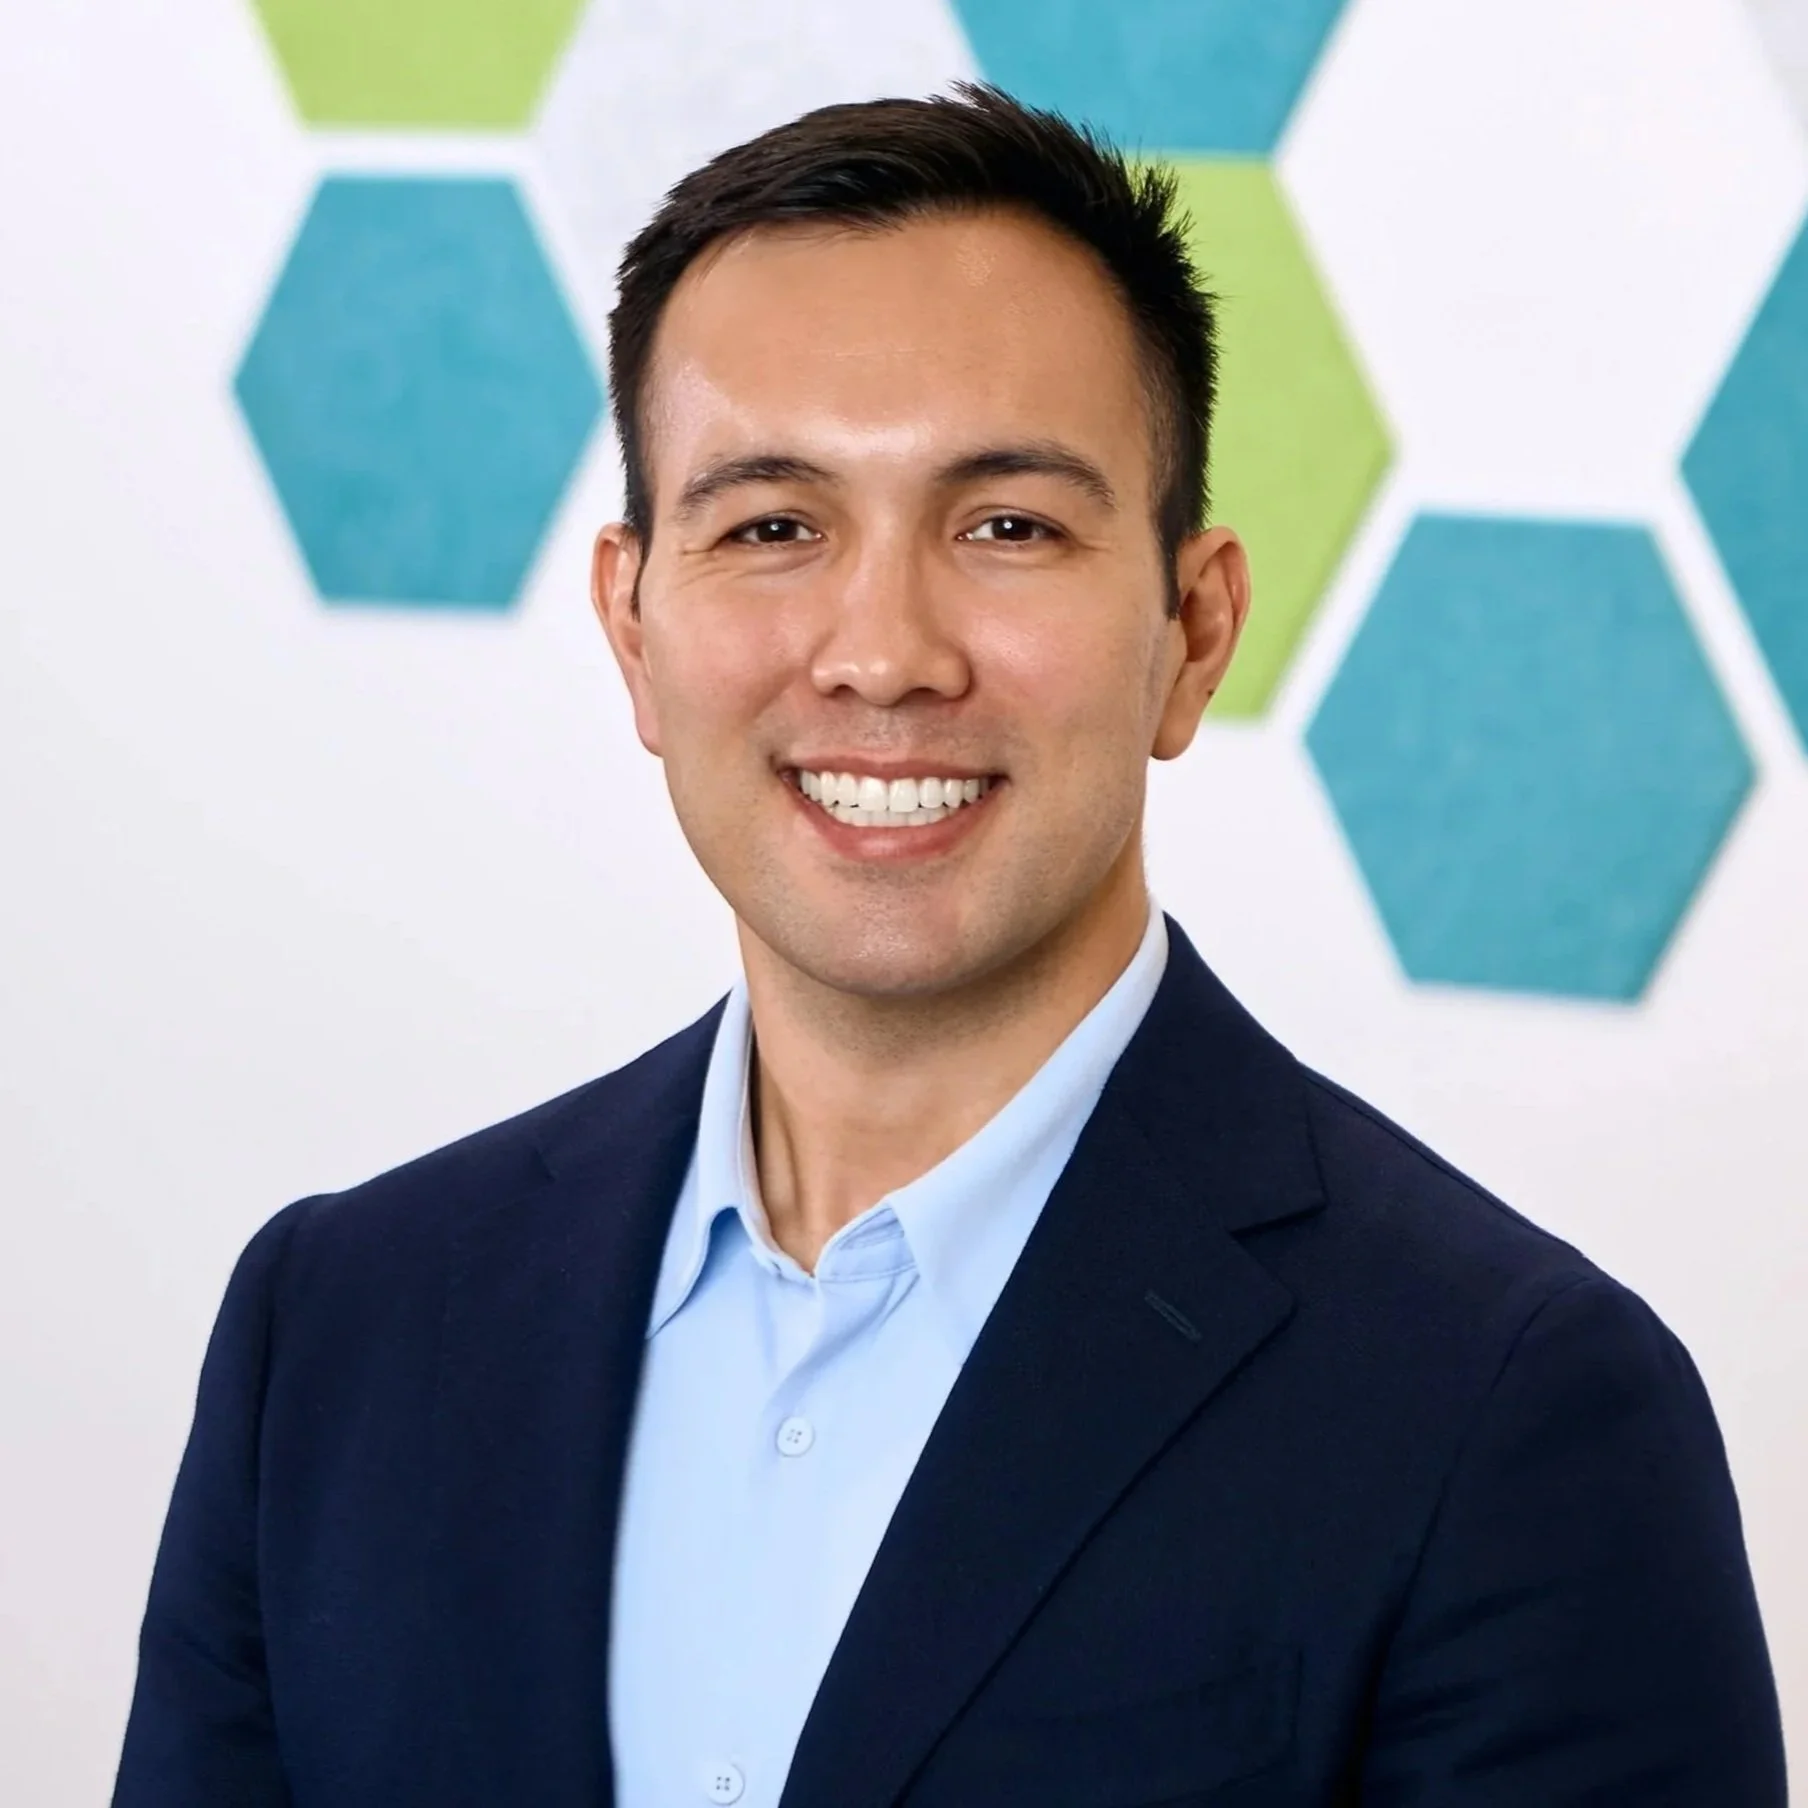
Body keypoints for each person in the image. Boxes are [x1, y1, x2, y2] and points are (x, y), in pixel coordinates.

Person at [114, 84, 1786, 1807]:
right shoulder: (342, 1331)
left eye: (1006, 527)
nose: (883, 652)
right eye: (773, 525)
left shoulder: (1509, 1416)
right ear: (632, 623)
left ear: (1192, 631)